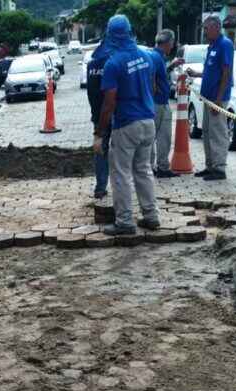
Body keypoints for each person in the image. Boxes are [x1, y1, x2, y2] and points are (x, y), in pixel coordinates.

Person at [93, 15, 160, 236]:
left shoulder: (114, 63)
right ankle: (151, 217)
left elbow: (109, 102)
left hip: (127, 124)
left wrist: (100, 133)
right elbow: (151, 86)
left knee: (120, 173)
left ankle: (124, 222)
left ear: (110, 35)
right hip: (148, 122)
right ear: (130, 32)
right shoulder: (146, 56)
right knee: (143, 170)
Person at [187, 16, 234, 181]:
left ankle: (219, 169)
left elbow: (226, 73)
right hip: (208, 98)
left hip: (217, 98)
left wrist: (219, 100)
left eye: (206, 29)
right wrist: (197, 74)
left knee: (218, 134)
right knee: (206, 132)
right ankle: (210, 166)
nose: (204, 32)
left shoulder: (225, 44)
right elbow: (211, 71)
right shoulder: (212, 46)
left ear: (216, 28)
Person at [150, 29, 184, 178]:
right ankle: (155, 167)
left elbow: (160, 72)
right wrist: (154, 90)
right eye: (172, 43)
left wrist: (172, 66)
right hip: (158, 103)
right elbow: (151, 77)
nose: (173, 46)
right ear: (168, 42)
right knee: (157, 137)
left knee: (161, 136)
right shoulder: (156, 57)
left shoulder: (158, 56)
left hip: (160, 102)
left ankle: (159, 166)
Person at [87, 30, 113, 199]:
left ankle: (100, 187)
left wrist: (96, 117)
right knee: (119, 152)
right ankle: (121, 185)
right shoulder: (115, 62)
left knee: (100, 150)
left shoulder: (92, 64)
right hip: (118, 115)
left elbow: (90, 93)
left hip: (98, 116)